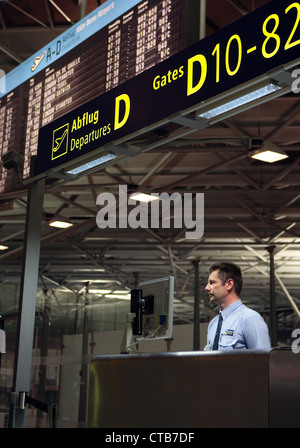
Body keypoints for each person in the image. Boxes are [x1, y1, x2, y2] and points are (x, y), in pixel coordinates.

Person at [204, 261, 271, 351]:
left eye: (212, 283)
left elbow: (264, 361)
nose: (207, 288)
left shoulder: (250, 319)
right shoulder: (213, 324)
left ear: (229, 284)